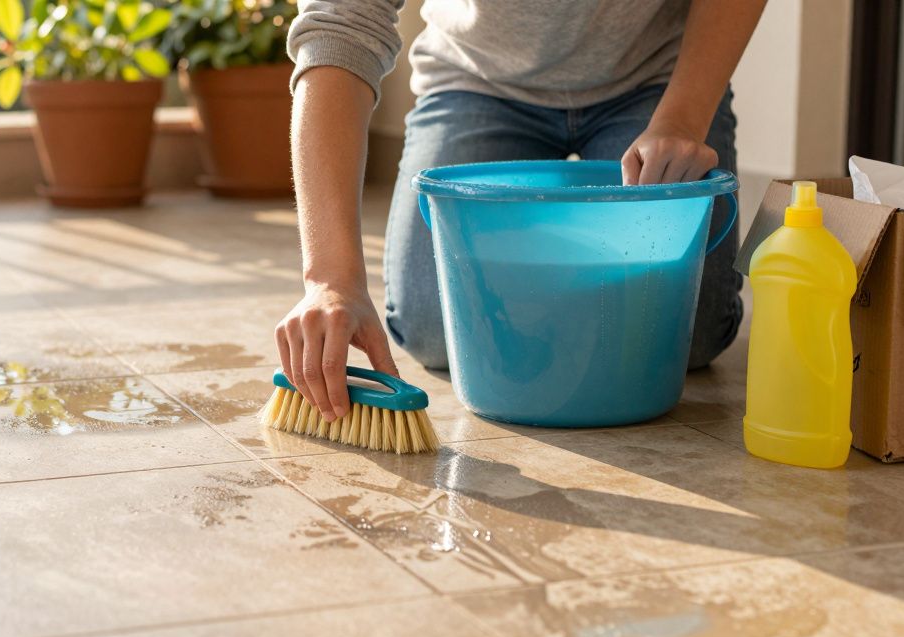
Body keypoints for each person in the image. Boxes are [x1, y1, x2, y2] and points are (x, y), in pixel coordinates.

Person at [275, 0, 768, 424]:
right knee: (431, 326)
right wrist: (331, 278)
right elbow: (340, 25)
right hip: (478, 77)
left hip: (657, 77)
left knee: (688, 336)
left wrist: (682, 118)